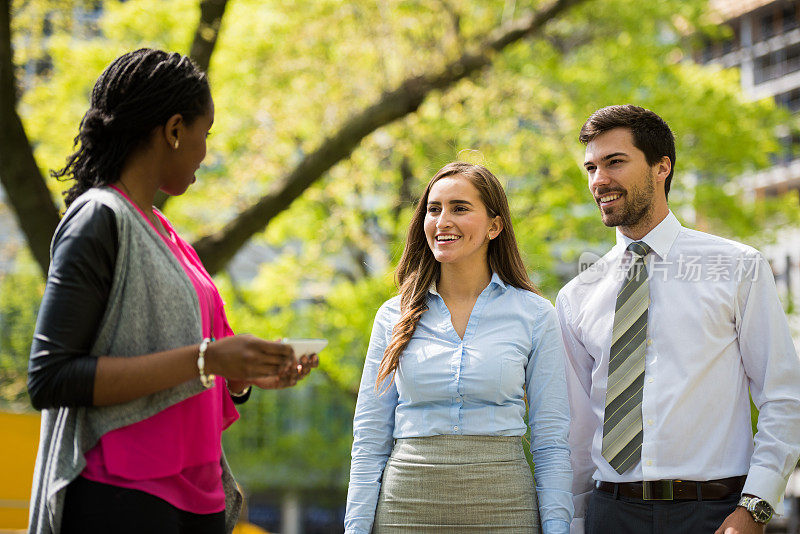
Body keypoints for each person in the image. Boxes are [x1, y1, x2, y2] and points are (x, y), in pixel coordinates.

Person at [26, 48, 317, 534]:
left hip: (197, 497)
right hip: (123, 494)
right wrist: (206, 360)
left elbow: (206, 361)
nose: (207, 150)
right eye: (206, 133)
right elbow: (51, 377)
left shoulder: (168, 234)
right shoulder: (100, 219)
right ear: (175, 129)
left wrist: (246, 375)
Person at [556, 104, 800, 534]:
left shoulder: (738, 267)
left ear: (660, 167)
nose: (599, 180)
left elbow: (783, 396)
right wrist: (575, 520)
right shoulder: (577, 295)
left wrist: (755, 508)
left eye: (615, 162)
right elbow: (577, 427)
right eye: (591, 167)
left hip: (713, 515)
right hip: (608, 515)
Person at [345, 162, 573, 533]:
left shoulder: (534, 314)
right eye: (434, 209)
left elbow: (551, 441)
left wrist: (557, 527)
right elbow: (370, 437)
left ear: (494, 227)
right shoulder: (393, 315)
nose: (442, 220)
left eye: (460, 208)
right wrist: (355, 528)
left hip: (505, 507)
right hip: (405, 507)